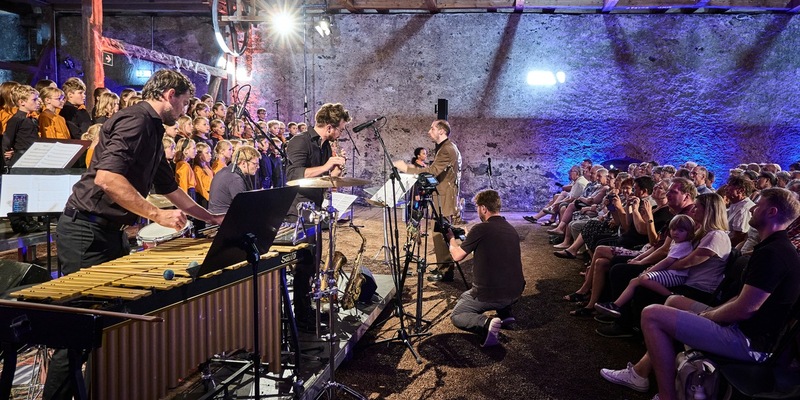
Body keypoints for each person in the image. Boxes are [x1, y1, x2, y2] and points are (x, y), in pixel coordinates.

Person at [47, 69, 224, 400]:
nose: (187, 109)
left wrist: (211, 217)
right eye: (185, 102)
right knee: (83, 331)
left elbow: (169, 188)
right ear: (169, 95)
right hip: (86, 230)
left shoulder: (154, 129)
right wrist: (156, 214)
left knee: (117, 325)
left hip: (111, 233)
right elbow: (107, 179)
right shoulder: (137, 121)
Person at [601, 188, 800, 399]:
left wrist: (708, 316)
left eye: (758, 205)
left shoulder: (773, 254)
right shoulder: (773, 248)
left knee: (652, 314)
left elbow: (745, 309)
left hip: (749, 342)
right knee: (674, 300)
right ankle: (641, 374)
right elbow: (742, 300)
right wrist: (713, 312)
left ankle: (667, 396)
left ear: (771, 212)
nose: (752, 210)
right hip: (742, 329)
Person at [284, 102, 348, 332]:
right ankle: (300, 317)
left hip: (315, 209)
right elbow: (294, 175)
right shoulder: (300, 141)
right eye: (340, 129)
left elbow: (325, 180)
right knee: (303, 265)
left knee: (313, 264)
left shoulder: (324, 146)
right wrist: (327, 165)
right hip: (298, 211)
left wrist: (336, 170)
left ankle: (307, 309)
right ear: (329, 127)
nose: (340, 133)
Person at [446, 189, 525, 347]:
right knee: (502, 270)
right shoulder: (511, 229)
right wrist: (471, 236)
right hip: (516, 291)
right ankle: (505, 313)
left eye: (477, 207)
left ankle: (486, 324)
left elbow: (457, 256)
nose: (477, 210)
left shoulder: (481, 229)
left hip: (491, 294)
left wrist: (451, 240)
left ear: (483, 208)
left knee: (459, 312)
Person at [393, 119, 463, 282]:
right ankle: (443, 266)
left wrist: (407, 168)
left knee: (440, 231)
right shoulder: (448, 147)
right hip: (445, 195)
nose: (428, 131)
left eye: (432, 128)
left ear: (441, 131)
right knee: (441, 230)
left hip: (444, 197)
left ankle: (446, 269)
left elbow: (432, 171)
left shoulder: (446, 149)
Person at [595, 214, 695, 317]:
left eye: (681, 231)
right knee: (634, 281)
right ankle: (616, 305)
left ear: (689, 233)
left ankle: (671, 296)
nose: (675, 233)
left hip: (677, 276)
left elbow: (667, 261)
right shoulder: (676, 243)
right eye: (673, 229)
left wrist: (650, 270)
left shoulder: (683, 246)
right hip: (670, 272)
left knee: (644, 278)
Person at [208, 145, 259, 213]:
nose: (258, 167)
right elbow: (244, 206)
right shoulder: (235, 179)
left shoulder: (225, 171)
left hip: (218, 217)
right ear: (243, 163)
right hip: (223, 220)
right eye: (255, 164)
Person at [2, 85, 40, 166]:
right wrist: (7, 163)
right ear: (22, 102)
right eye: (34, 100)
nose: (38, 102)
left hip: (33, 157)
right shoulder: (16, 119)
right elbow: (7, 141)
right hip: (21, 159)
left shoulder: (33, 119)